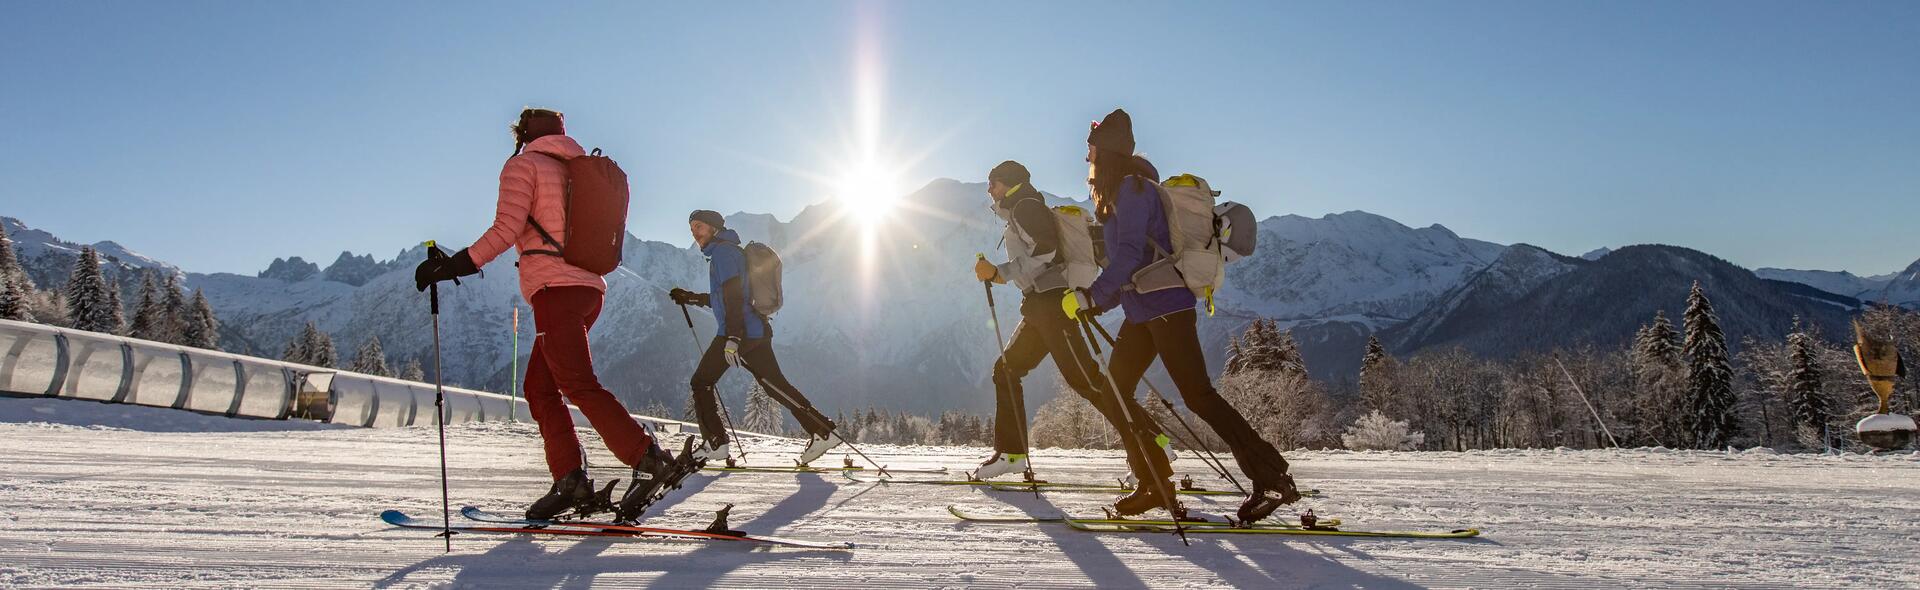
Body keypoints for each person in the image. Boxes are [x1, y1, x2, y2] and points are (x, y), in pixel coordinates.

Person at [414, 107, 687, 522]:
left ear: (523, 135)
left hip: (555, 291)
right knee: (540, 387)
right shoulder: (574, 168)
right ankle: (570, 480)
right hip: (588, 290)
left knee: (576, 382)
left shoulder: (523, 166)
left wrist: (453, 266)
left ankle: (648, 459)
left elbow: (506, 229)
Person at [1076, 108, 1302, 522]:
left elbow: (1127, 256)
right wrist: (1097, 300)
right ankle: (1155, 482)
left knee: (1198, 396)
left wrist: (1093, 297)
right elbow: (1130, 261)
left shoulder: (1133, 189)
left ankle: (1272, 477)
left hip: (1165, 306)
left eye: (1090, 146)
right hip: (1143, 308)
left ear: (1105, 151)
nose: (1086, 153)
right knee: (1114, 391)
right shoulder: (1121, 191)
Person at [970, 160, 1172, 483]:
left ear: (1007, 183)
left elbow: (1046, 251)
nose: (989, 190)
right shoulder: (1022, 208)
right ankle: (1012, 453)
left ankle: (1153, 446)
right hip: (1039, 307)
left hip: (1052, 307)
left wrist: (999, 273)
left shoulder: (1025, 207)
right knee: (1006, 370)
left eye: (992, 183)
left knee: (1089, 383)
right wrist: (1001, 274)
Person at [671, 210, 842, 465]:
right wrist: (692, 297)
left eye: (700, 227)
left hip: (740, 333)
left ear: (714, 228)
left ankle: (716, 442)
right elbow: (725, 297)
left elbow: (734, 298)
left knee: (702, 382)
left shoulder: (723, 254)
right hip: (755, 331)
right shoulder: (728, 252)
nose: (695, 233)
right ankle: (822, 430)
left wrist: (733, 338)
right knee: (773, 384)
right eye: (692, 229)